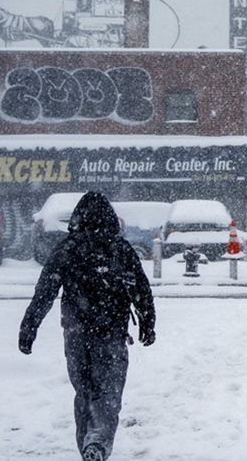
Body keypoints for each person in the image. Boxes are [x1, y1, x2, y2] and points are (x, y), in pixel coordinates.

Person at [18, 191, 156, 461]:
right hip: (111, 333)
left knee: (84, 390)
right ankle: (98, 442)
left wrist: (29, 327)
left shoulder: (68, 248)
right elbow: (141, 288)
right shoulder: (120, 248)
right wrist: (147, 322)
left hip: (76, 332)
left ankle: (88, 445)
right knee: (108, 390)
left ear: (78, 219)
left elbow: (45, 291)